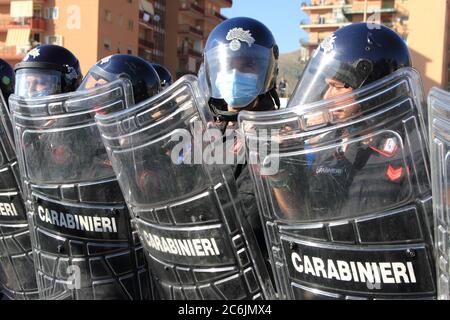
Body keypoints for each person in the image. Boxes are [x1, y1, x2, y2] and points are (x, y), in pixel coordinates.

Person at [202, 17, 280, 279]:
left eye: (247, 65)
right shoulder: (203, 134)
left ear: (266, 72)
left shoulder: (282, 137)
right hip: (202, 276)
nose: (234, 75)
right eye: (227, 66)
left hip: (260, 282)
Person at [14, 44, 82, 98]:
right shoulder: (19, 115)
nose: (30, 90)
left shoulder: (83, 115)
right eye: (27, 84)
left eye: (41, 82)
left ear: (68, 86)